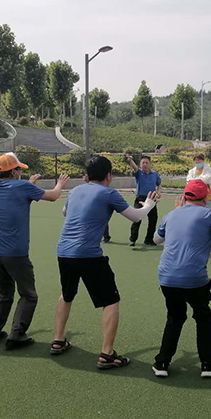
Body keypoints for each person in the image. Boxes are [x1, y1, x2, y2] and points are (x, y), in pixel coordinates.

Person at [51, 155, 158, 369]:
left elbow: (65, 212)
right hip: (88, 254)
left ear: (87, 175)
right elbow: (136, 216)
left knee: (67, 294)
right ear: (109, 175)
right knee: (110, 301)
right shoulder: (109, 193)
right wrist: (149, 204)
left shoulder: (75, 191)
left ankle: (58, 340)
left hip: (63, 251)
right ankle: (107, 354)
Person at [152, 179, 211, 378]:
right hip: (194, 279)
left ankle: (161, 363)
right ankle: (208, 365)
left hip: (167, 278)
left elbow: (156, 239)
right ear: (206, 198)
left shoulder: (171, 215)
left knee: (175, 318)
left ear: (184, 196)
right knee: (203, 318)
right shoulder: (209, 214)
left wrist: (175, 214)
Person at [0, 152, 69, 350]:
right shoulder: (22, 187)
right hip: (14, 252)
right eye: (18, 170)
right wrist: (60, 184)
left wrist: (29, 184)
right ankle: (17, 335)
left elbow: (13, 193)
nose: (20, 173)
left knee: (3, 292)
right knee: (29, 294)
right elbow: (53, 196)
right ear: (13, 172)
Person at [126, 154, 162, 246]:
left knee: (153, 220)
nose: (145, 164)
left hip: (151, 199)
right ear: (140, 164)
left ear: (150, 164)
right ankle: (133, 239)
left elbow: (159, 184)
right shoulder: (139, 173)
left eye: (147, 163)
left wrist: (158, 192)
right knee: (137, 219)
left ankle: (149, 239)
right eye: (143, 163)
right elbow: (134, 167)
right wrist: (130, 160)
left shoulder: (155, 174)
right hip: (140, 199)